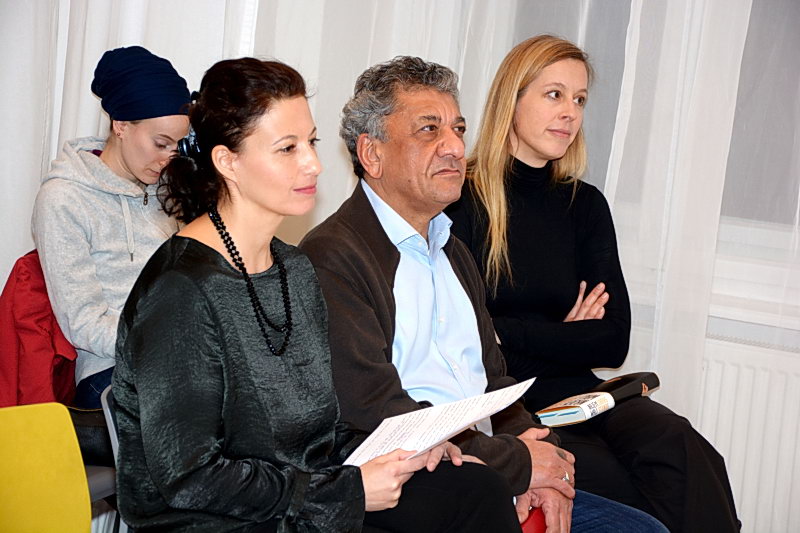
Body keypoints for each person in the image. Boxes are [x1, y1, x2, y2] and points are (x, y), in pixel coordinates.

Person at [112, 57, 523, 533]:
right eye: (287, 148)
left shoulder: (293, 268)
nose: (314, 164)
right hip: (219, 522)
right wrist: (347, 491)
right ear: (228, 162)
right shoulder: (180, 290)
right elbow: (189, 478)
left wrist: (412, 445)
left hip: (306, 500)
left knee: (473, 487)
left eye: (311, 142)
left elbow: (320, 433)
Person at [300, 55, 668, 533]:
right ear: (372, 154)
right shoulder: (333, 256)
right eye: (429, 130)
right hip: (430, 485)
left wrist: (543, 460)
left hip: (492, 467)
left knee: (645, 526)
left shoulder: (451, 249)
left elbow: (496, 382)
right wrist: (520, 463)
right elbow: (380, 413)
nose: (455, 147)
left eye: (458, 129)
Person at [446, 35, 741, 533]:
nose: (570, 113)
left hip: (587, 394)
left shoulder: (584, 205)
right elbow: (471, 343)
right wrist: (565, 336)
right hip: (513, 407)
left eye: (579, 99)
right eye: (554, 94)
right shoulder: (463, 200)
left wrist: (508, 331)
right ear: (512, 99)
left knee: (683, 449)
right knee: (624, 487)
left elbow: (612, 340)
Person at [32, 46, 190, 408]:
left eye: (178, 145)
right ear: (121, 125)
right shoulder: (64, 199)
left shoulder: (168, 191)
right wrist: (166, 342)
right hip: (110, 371)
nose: (168, 157)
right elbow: (84, 323)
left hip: (179, 357)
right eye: (161, 143)